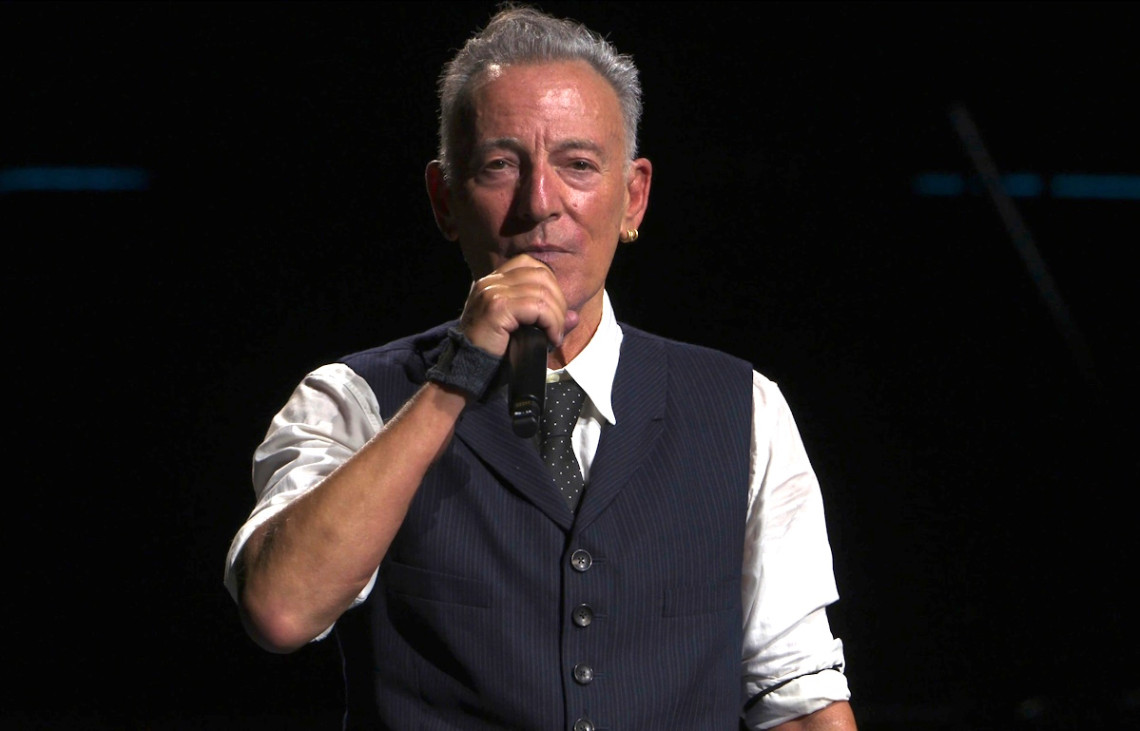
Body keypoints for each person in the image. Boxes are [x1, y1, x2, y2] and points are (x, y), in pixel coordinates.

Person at [224, 5, 858, 730]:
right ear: (444, 200)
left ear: (634, 198)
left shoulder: (742, 408)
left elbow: (798, 696)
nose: (539, 204)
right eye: (500, 166)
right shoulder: (353, 400)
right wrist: (454, 379)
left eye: (578, 165)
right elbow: (280, 610)